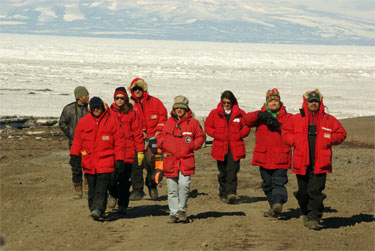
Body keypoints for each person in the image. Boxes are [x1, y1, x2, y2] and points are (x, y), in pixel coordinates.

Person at [282, 89, 347, 230]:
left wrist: (329, 138)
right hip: (301, 161)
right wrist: (294, 141)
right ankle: (306, 211)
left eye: (316, 102)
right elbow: (285, 132)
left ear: (320, 103)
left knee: (316, 191)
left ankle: (314, 217)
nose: (313, 104)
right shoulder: (296, 118)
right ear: (306, 102)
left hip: (320, 162)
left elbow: (341, 133)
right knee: (303, 192)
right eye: (311, 101)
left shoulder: (328, 120)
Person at [70, 97, 125, 220]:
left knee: (101, 188)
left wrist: (119, 160)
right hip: (89, 163)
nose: (96, 109)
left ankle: (99, 209)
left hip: (106, 162)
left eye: (98, 107)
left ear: (102, 107)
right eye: (94, 107)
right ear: (90, 108)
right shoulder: (83, 122)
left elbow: (119, 142)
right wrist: (74, 156)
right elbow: (77, 141)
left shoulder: (112, 121)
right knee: (92, 189)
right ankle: (93, 209)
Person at [244, 88, 292, 218]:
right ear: (266, 103)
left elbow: (294, 129)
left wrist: (278, 125)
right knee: (266, 184)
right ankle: (273, 207)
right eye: (271, 101)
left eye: (276, 100)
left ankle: (277, 203)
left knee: (278, 182)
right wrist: (259, 115)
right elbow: (246, 120)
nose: (273, 103)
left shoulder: (288, 117)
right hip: (263, 157)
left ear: (280, 102)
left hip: (281, 157)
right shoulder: (260, 117)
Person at [157, 96, 205, 223]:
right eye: (177, 107)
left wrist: (192, 146)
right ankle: (173, 213)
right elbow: (160, 136)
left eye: (181, 108)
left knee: (184, 186)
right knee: (172, 189)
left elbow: (200, 137)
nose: (179, 110)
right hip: (170, 160)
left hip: (186, 160)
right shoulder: (168, 122)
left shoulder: (193, 123)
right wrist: (163, 143)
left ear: (186, 109)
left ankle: (182, 210)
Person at [204, 90, 250, 204]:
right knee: (223, 172)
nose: (226, 104)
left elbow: (246, 126)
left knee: (232, 171)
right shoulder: (215, 113)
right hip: (220, 146)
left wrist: (240, 134)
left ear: (233, 102)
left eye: (228, 102)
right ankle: (223, 193)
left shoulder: (240, 113)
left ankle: (231, 193)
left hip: (235, 147)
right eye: (224, 102)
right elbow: (208, 126)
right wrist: (216, 134)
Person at [128, 78, 168, 201]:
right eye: (135, 89)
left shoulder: (156, 102)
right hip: (137, 140)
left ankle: (152, 185)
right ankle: (137, 190)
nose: (137, 91)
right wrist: (139, 133)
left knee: (157, 165)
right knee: (137, 165)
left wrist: (158, 132)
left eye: (140, 88)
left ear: (144, 89)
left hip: (154, 139)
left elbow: (163, 118)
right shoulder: (129, 105)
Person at [108, 87, 145, 214]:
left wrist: (140, 151)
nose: (119, 100)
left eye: (122, 98)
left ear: (125, 99)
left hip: (128, 152)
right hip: (112, 151)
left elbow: (138, 133)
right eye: (117, 98)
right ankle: (112, 194)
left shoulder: (132, 113)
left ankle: (122, 205)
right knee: (111, 178)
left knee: (124, 180)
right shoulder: (108, 113)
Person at [59, 86, 89, 199]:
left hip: (88, 144)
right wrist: (72, 134)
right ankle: (77, 189)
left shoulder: (90, 108)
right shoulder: (69, 109)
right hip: (74, 143)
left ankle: (88, 187)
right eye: (86, 95)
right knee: (76, 166)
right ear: (80, 97)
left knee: (88, 166)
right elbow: (62, 123)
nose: (88, 97)